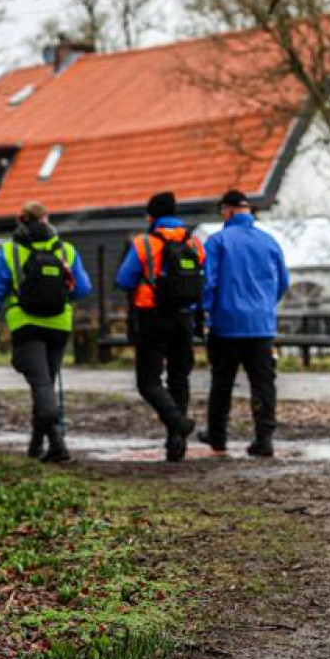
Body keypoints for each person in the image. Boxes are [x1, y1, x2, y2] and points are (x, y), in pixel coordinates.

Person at [0, 201, 92, 463]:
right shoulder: (67, 250)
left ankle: (58, 446)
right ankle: (37, 445)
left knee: (41, 385)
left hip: (26, 325)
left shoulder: (9, 251)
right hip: (59, 324)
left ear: (21, 221)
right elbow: (83, 289)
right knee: (45, 384)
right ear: (46, 219)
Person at [198, 190, 290, 457]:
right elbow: (283, 281)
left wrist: (203, 310)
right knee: (263, 382)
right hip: (261, 325)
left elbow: (208, 282)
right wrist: (264, 306)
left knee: (222, 381)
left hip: (226, 325)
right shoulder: (269, 242)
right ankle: (264, 438)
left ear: (226, 210)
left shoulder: (217, 242)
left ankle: (218, 436)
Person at [116, 191, 206, 462]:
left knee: (148, 381)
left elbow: (124, 279)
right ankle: (176, 444)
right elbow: (205, 280)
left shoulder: (144, 243)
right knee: (179, 378)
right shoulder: (195, 243)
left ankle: (177, 423)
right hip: (185, 318)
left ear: (151, 216)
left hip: (153, 317)